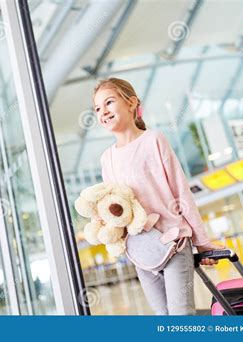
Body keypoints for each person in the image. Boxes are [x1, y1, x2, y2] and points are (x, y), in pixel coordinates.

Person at [93, 78, 223, 315]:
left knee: (181, 318)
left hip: (174, 243)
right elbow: (115, 208)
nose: (103, 112)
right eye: (97, 108)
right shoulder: (107, 158)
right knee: (162, 319)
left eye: (108, 102)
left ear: (131, 103)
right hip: (140, 251)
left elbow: (181, 193)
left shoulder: (153, 140)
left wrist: (202, 243)